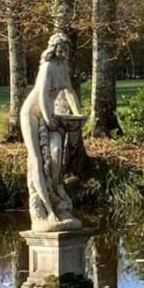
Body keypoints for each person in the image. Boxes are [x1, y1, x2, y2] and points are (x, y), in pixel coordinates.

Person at [21, 33, 84, 228]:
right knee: (36, 160)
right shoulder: (47, 67)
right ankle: (46, 211)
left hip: (50, 115)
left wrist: (78, 114)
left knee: (56, 154)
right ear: (54, 48)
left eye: (66, 48)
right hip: (33, 114)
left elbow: (69, 91)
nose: (64, 51)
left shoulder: (63, 67)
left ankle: (57, 197)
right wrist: (47, 119)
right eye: (61, 48)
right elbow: (41, 94)